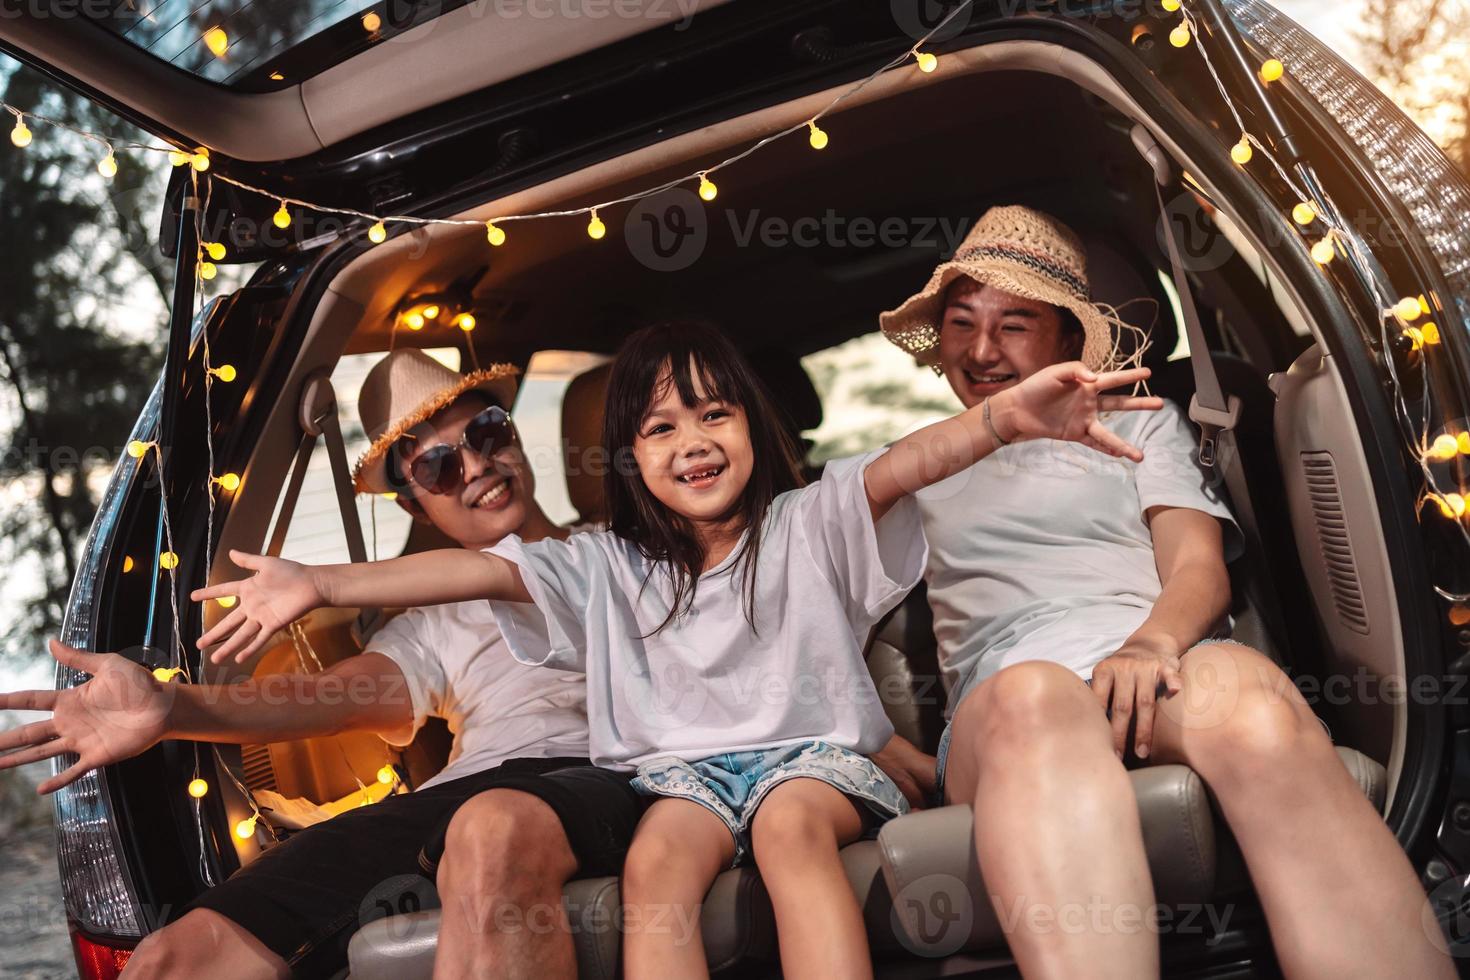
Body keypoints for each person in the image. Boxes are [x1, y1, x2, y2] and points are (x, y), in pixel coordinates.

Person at [185, 320, 1160, 980]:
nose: (691, 440)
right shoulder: (605, 565)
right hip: (675, 780)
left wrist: (1000, 418)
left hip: (796, 765)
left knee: (786, 829)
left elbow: (907, 462)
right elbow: (477, 578)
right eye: (659, 426)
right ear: (630, 459)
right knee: (656, 864)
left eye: (713, 413)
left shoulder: (808, 516)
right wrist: (321, 584)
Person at [878, 205, 1455, 978]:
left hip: (1157, 657)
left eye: (1015, 323)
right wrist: (867, 738)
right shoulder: (911, 466)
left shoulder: (1143, 424)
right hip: (1006, 697)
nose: (982, 350)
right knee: (1036, 698)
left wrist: (1150, 642)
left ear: (1066, 337)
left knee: (1253, 708)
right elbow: (801, 601)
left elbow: (1196, 566)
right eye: (961, 322)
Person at [0, 349, 644, 980]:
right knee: (174, 957)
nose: (475, 466)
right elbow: (334, 699)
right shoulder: (427, 623)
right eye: (440, 467)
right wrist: (175, 707)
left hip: (595, 773)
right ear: (415, 504)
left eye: (486, 433)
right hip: (459, 796)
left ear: (515, 435)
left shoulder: (623, 550)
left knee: (491, 828)